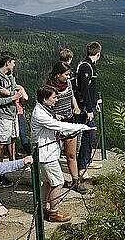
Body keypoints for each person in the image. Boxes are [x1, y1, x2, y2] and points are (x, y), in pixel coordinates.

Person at [31, 85, 95, 222]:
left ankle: (42, 209)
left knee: (47, 182)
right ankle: (54, 213)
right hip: (46, 155)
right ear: (44, 99)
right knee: (58, 182)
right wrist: (82, 127)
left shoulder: (43, 110)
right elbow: (59, 126)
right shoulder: (40, 114)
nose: (56, 100)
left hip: (46, 153)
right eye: (54, 97)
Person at [47, 61, 86, 194]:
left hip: (69, 121)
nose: (68, 77)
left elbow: (72, 96)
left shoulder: (68, 84)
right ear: (58, 75)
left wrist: (75, 106)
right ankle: (54, 181)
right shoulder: (49, 87)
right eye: (66, 74)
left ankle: (76, 181)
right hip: (55, 124)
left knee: (71, 154)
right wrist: (53, 114)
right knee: (55, 154)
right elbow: (43, 105)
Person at [0, 51, 23, 187]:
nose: (14, 65)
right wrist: (12, 97)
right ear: (7, 62)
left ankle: (7, 169)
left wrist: (8, 93)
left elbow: (16, 91)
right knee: (1, 144)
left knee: (11, 140)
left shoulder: (10, 77)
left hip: (12, 114)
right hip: (3, 116)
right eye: (13, 62)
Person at [75, 41, 102, 171]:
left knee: (90, 135)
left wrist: (95, 102)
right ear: (98, 53)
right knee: (88, 136)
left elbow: (92, 88)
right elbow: (84, 89)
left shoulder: (89, 65)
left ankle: (86, 161)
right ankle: (82, 166)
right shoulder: (86, 67)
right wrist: (89, 108)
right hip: (85, 109)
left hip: (90, 106)